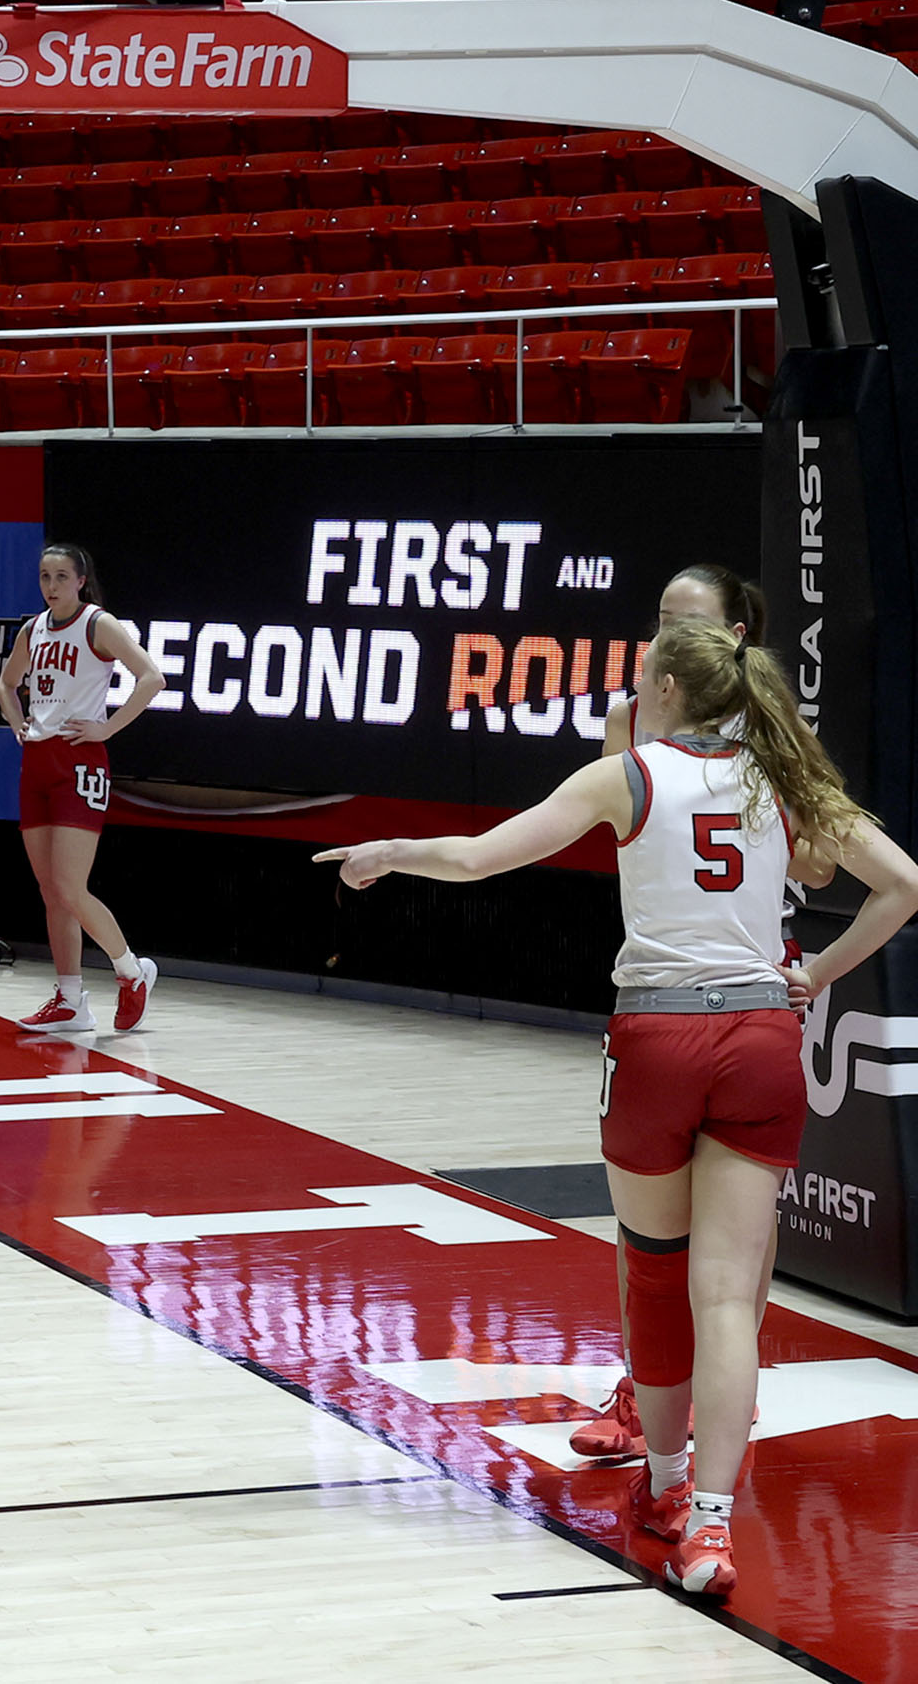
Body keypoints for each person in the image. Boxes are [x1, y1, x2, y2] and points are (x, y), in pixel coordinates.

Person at [318, 619, 918, 1602]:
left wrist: (390, 850)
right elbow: (903, 886)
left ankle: (668, 1485)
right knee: (730, 1298)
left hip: (659, 1038)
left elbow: (479, 858)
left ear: (668, 691)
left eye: (642, 676)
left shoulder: (628, 774)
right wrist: (815, 972)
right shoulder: (783, 776)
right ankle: (713, 1525)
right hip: (762, 1038)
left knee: (655, 1275)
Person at [574, 562, 783, 1464]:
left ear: (733, 635)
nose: (663, 633)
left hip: (754, 976)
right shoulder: (632, 718)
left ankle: (723, 1394)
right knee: (651, 1232)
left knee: (736, 1241)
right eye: (660, 616)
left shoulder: (771, 725)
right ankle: (646, 1386)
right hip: (664, 979)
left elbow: (820, 863)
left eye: (683, 618)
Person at [0, 543, 166, 1038]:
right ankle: (70, 1000)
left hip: (79, 760)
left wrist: (107, 728)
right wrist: (17, 721)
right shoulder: (33, 629)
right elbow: (6, 684)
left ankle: (131, 972)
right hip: (37, 762)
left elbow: (151, 677)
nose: (51, 586)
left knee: (71, 887)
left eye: (61, 576)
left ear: (80, 581)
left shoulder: (97, 624)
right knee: (51, 892)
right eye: (44, 576)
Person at [600, 564, 765, 757]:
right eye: (668, 622)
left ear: (736, 635)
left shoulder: (770, 722)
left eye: (694, 624)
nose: (677, 636)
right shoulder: (626, 719)